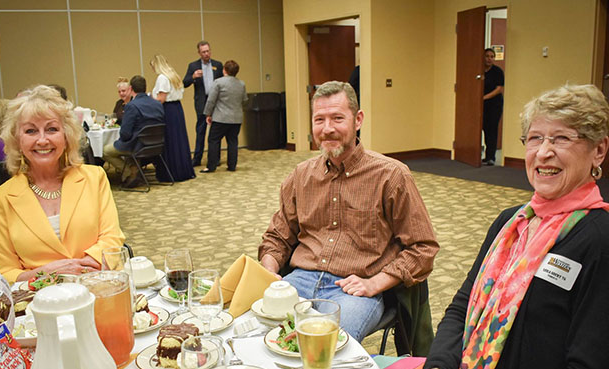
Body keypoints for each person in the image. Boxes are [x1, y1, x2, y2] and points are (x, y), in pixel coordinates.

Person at [398, 84, 609, 369]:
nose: (543, 152)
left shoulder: (604, 246)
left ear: (599, 150)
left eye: (562, 138)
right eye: (535, 138)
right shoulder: (512, 222)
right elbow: (461, 309)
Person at [258, 81, 439, 341]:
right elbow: (277, 236)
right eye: (319, 119)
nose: (327, 129)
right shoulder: (301, 175)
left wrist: (375, 283)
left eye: (337, 118)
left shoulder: (391, 176)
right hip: (299, 281)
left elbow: (423, 247)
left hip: (355, 289)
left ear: (358, 120)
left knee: (326, 344)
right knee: (256, 330)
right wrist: (269, 271)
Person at [0, 85, 125, 283]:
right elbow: (4, 271)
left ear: (66, 135)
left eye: (51, 129)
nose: (42, 140)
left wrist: (81, 271)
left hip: (97, 285)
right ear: (17, 140)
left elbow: (112, 238)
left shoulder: (94, 178)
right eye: (31, 131)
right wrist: (48, 273)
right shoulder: (2, 198)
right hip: (38, 297)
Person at [102, 75, 165, 188]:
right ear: (145, 87)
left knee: (105, 151)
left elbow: (125, 134)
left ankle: (130, 172)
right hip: (156, 144)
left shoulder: (131, 106)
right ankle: (133, 170)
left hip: (138, 146)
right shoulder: (157, 104)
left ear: (130, 88)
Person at [150, 54, 195, 182]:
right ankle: (182, 170)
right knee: (178, 140)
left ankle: (171, 173)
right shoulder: (174, 76)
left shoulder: (162, 78)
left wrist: (150, 97)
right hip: (177, 109)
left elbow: (161, 99)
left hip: (168, 110)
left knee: (170, 141)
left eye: (153, 67)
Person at [202, 60, 248, 173]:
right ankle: (232, 166)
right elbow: (245, 100)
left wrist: (208, 114)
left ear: (224, 70)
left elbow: (211, 100)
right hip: (236, 118)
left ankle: (211, 166)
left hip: (220, 118)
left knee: (214, 140)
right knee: (233, 142)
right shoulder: (241, 84)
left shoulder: (218, 82)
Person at [183, 40, 223, 167]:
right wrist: (193, 76)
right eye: (203, 52)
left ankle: (215, 159)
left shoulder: (218, 65)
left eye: (208, 51)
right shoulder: (193, 66)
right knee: (201, 130)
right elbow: (184, 83)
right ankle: (197, 158)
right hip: (201, 101)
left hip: (215, 101)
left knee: (216, 130)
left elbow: (223, 82)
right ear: (199, 53)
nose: (206, 54)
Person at [482, 48, 504, 166]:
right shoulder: (479, 71)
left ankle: (491, 157)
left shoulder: (497, 71)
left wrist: (484, 97)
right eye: (487, 56)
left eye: (492, 56)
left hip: (494, 105)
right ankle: (485, 156)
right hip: (481, 106)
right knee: (484, 129)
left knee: (492, 130)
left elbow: (499, 89)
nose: (489, 59)